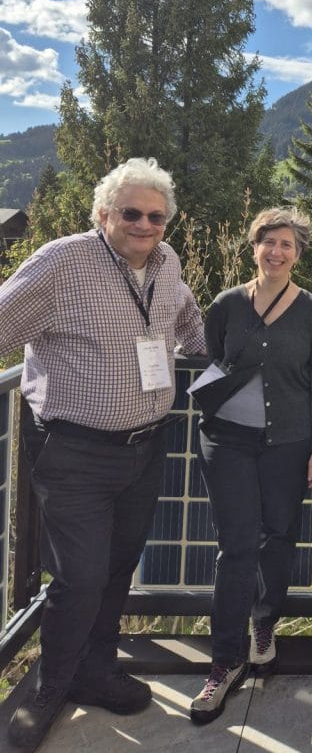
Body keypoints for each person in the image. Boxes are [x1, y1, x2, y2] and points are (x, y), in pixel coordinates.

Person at [0, 157, 205, 752]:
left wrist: (240, 345)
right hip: (74, 451)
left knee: (117, 567)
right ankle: (49, 687)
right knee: (81, 576)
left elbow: (187, 321)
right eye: (131, 212)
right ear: (103, 214)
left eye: (157, 216)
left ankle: (95, 670)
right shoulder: (63, 261)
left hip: (145, 447)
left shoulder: (167, 262)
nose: (145, 225)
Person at [189, 208, 312, 724]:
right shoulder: (227, 303)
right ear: (254, 247)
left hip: (289, 445)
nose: (276, 251)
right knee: (236, 547)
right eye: (268, 242)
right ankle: (224, 662)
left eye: (286, 244)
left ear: (298, 254)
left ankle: (264, 624)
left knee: (279, 536)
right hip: (226, 440)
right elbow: (214, 356)